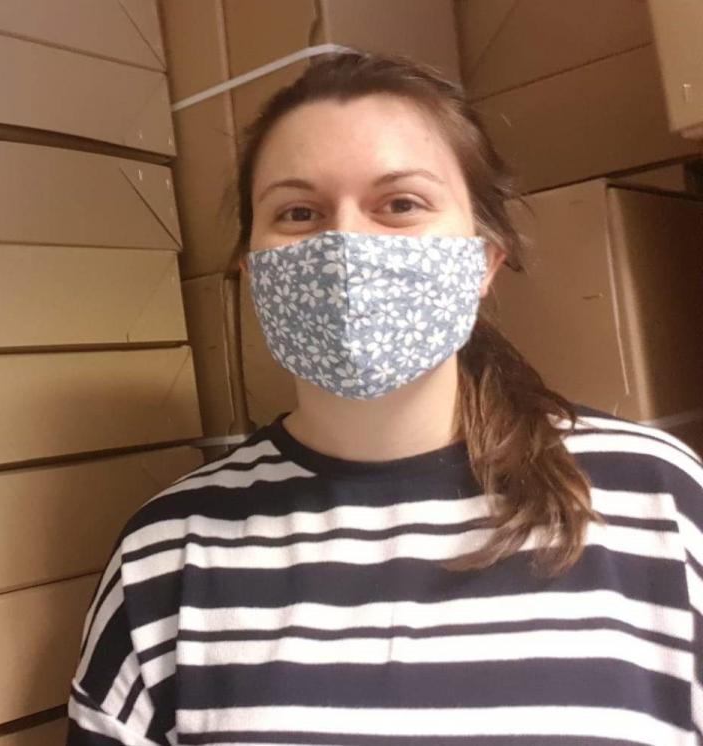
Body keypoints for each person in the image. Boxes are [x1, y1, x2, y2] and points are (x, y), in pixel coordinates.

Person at [68, 53, 703, 744]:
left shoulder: (659, 497)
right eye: (299, 212)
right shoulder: (168, 555)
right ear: (254, 273)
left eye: (400, 204)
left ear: (483, 260)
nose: (345, 246)